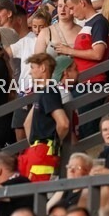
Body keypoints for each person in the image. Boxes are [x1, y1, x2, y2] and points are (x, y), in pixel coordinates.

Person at [20, 53, 68, 182]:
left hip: (42, 151)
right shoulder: (43, 92)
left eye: (32, 67)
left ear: (42, 68)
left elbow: (63, 123)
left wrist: (52, 145)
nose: (30, 72)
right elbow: (27, 123)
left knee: (38, 195)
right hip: (38, 151)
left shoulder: (49, 91)